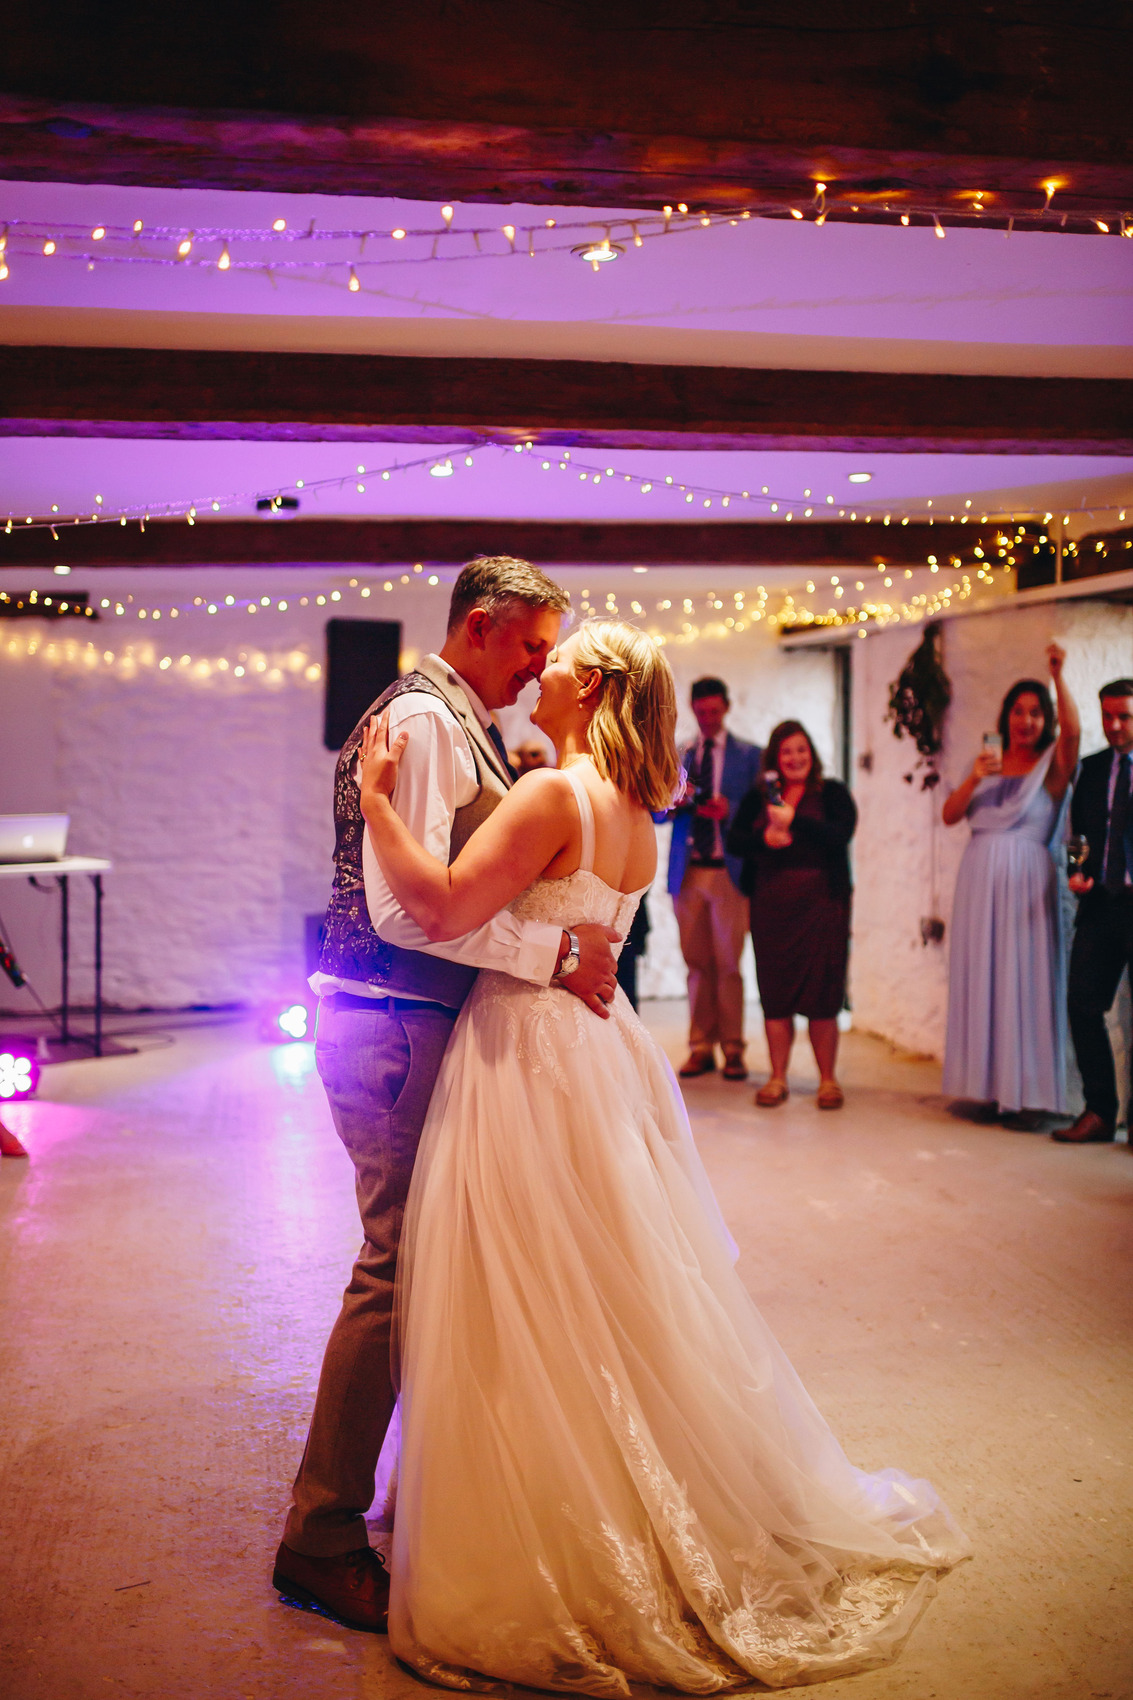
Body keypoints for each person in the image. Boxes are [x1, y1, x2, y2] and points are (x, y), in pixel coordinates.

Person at [357, 619, 968, 1693]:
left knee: (527, 1294)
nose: (538, 668)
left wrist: (374, 803)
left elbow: (442, 903)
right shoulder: (633, 808)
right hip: (597, 1050)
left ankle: (547, 1528)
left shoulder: (554, 792)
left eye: (557, 656)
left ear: (585, 685)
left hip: (525, 1056)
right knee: (608, 1290)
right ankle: (621, 1497)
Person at [273, 557, 620, 1631]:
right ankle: (318, 1537)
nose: (539, 664)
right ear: (479, 626)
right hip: (388, 1021)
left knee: (418, 1270)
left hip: (405, 1020)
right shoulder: (422, 723)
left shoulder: (451, 719)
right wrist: (548, 955)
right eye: (529, 643)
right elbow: (403, 909)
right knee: (391, 1270)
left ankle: (412, 1495)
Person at [941, 644, 1079, 1126]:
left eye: (1036, 713)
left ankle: (1028, 1095)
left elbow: (1075, 734)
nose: (1026, 721)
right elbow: (950, 815)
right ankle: (982, 1088)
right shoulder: (986, 762)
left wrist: (1058, 678)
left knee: (1024, 981)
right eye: (1019, 712)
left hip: (1026, 884)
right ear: (1006, 716)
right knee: (983, 979)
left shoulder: (1053, 768)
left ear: (1046, 720)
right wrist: (974, 776)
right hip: (979, 882)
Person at [727, 720, 857, 1111]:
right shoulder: (758, 796)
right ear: (775, 758)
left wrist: (793, 821)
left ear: (811, 754)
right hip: (771, 906)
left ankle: (828, 1080)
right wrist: (764, 839)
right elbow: (734, 840)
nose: (794, 758)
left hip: (823, 907)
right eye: (786, 752)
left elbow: (841, 834)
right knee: (776, 992)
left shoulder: (832, 792)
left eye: (801, 750)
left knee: (823, 992)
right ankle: (778, 1076)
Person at [667, 677, 760, 1080]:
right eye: (701, 712)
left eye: (713, 712)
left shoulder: (750, 756)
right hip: (688, 872)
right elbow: (653, 809)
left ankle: (734, 1048)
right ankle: (700, 1046)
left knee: (729, 965)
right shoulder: (680, 754)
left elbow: (762, 811)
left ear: (726, 708)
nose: (707, 719)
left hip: (729, 873)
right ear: (693, 709)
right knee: (695, 964)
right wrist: (676, 801)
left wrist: (732, 809)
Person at [1056, 677, 1133, 1144]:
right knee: (1082, 1003)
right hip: (1101, 903)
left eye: (1124, 716)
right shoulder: (1091, 768)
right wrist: (1075, 870)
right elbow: (1079, 833)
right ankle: (1099, 1112)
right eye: (1107, 716)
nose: (1115, 725)